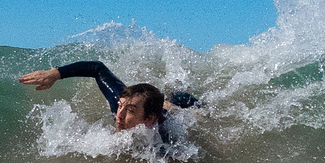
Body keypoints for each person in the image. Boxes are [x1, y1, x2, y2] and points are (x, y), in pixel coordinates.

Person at [19, 61, 197, 143]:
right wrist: (55, 74)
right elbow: (97, 68)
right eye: (121, 107)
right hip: (149, 103)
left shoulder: (162, 130)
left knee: (194, 112)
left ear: (148, 119)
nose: (119, 115)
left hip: (180, 104)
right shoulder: (120, 102)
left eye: (130, 111)